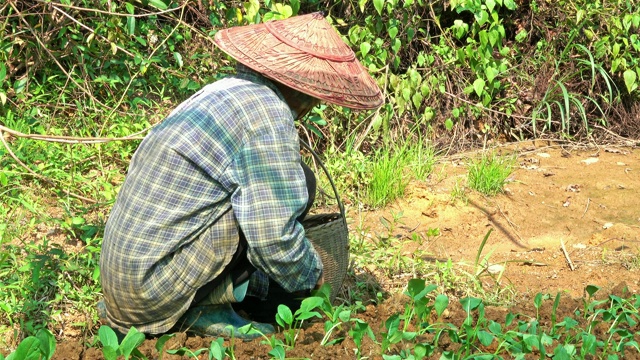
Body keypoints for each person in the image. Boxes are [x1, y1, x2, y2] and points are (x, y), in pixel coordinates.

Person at [99, 11, 383, 339]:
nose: (311, 108)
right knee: (277, 203)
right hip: (152, 291)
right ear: (300, 91)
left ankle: (223, 291)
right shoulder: (268, 113)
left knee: (298, 180)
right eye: (313, 99)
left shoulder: (227, 89)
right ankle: (204, 309)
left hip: (124, 281)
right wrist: (312, 279)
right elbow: (272, 236)